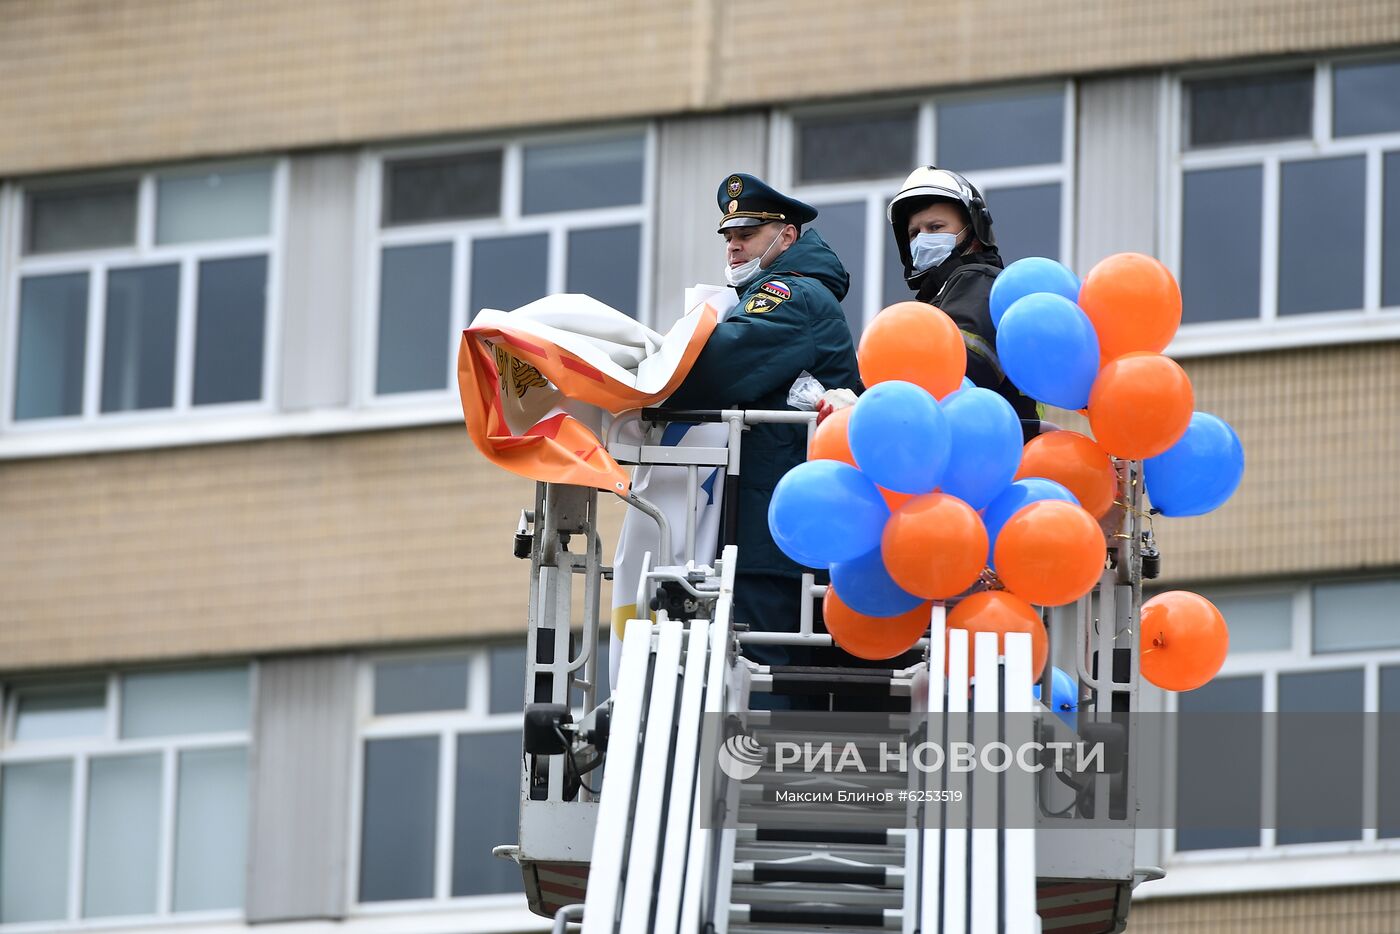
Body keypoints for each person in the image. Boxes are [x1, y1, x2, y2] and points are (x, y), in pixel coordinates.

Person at [666, 173, 861, 677]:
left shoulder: (789, 295)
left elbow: (714, 369)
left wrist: (639, 375)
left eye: (747, 235)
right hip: (782, 534)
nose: (733, 247)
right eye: (729, 237)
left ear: (786, 238)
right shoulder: (781, 293)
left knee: (765, 688)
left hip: (775, 543)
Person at [886, 166, 1042, 440]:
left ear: (974, 229)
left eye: (935, 227)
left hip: (981, 450)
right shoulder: (944, 292)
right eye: (914, 233)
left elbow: (965, 364)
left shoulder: (977, 279)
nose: (923, 239)